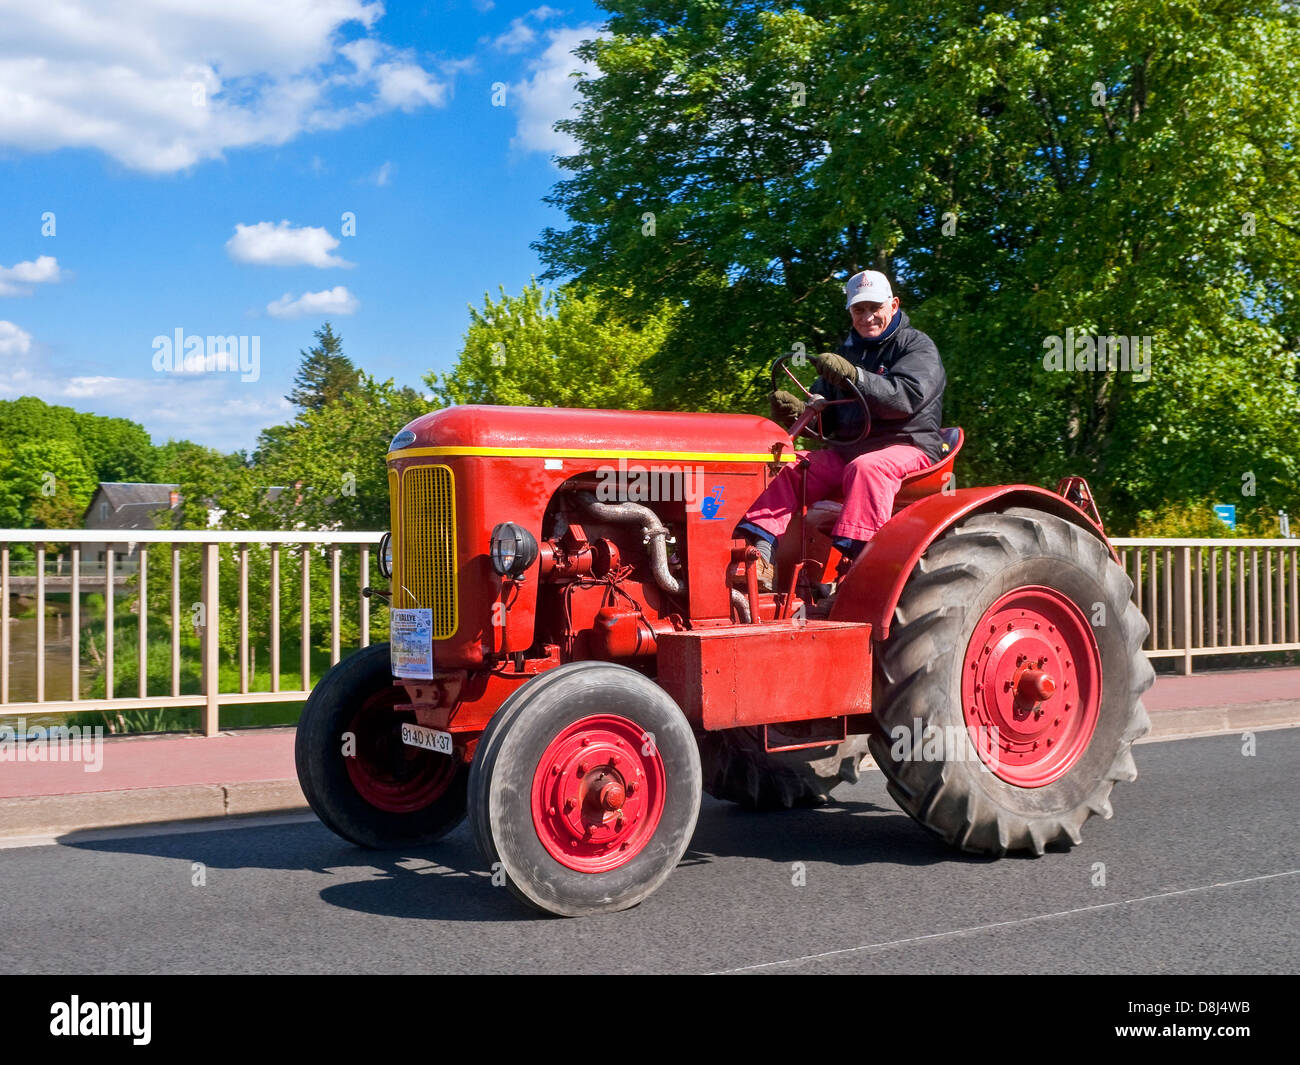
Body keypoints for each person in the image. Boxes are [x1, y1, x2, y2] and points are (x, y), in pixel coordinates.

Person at [732, 270, 946, 591]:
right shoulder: (847, 351)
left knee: (868, 469)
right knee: (791, 465)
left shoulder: (916, 346)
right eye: (859, 310)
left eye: (875, 307)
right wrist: (796, 412)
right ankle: (759, 554)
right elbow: (828, 420)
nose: (868, 316)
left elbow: (906, 398)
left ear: (894, 304)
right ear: (850, 312)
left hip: (909, 445)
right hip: (850, 448)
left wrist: (857, 377)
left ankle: (859, 573)